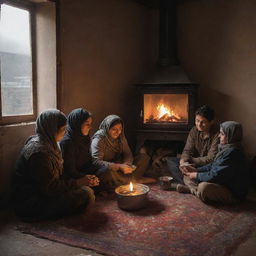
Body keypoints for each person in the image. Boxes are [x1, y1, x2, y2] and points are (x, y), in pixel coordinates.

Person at [12, 109, 95, 222]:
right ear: (51, 130)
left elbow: (57, 176)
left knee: (85, 190)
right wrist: (77, 182)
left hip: (46, 193)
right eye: (62, 129)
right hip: (32, 202)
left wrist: (81, 180)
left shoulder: (49, 143)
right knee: (86, 194)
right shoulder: (38, 153)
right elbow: (49, 188)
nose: (65, 132)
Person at [178, 121, 249, 204]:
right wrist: (196, 170)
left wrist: (196, 175)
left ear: (230, 136)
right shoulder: (226, 148)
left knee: (203, 187)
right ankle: (195, 190)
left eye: (222, 134)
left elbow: (215, 176)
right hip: (220, 182)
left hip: (232, 192)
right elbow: (212, 165)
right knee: (188, 176)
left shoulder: (233, 152)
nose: (219, 136)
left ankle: (193, 190)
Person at [91, 115, 155, 191]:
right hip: (109, 169)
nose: (118, 132)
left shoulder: (120, 137)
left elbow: (128, 154)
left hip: (120, 169)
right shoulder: (99, 139)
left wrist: (127, 165)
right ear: (107, 128)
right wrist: (118, 166)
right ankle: (135, 180)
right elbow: (96, 162)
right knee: (107, 174)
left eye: (120, 129)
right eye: (114, 129)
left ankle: (126, 182)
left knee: (144, 158)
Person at [165, 105, 219, 184]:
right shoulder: (194, 130)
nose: (199, 124)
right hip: (193, 163)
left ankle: (190, 183)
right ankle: (190, 183)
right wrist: (183, 161)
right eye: (197, 120)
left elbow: (211, 158)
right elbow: (187, 150)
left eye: (203, 122)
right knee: (171, 161)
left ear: (211, 122)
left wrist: (191, 160)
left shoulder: (217, 134)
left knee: (212, 170)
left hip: (205, 166)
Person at [60, 108, 99, 188]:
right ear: (77, 124)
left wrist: (92, 175)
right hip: (74, 176)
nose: (90, 127)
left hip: (85, 171)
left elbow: (88, 161)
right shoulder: (67, 142)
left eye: (90, 124)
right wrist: (86, 177)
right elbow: (70, 170)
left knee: (105, 172)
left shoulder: (85, 138)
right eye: (87, 124)